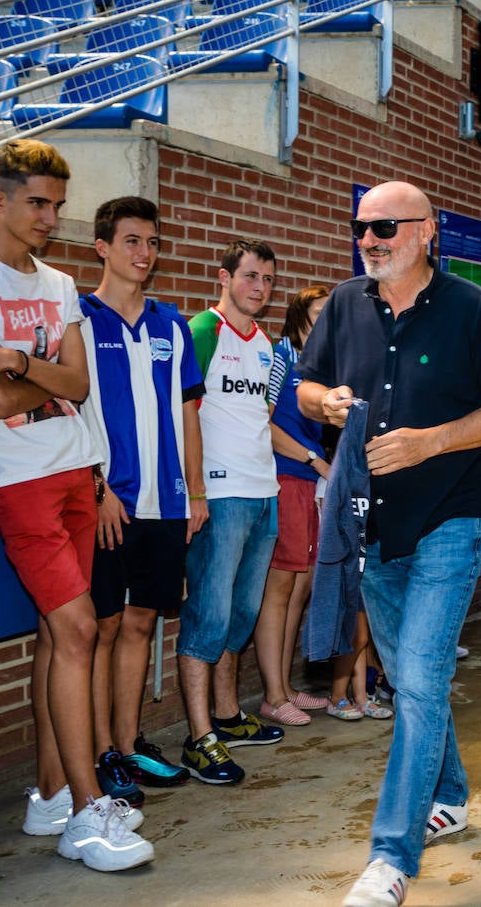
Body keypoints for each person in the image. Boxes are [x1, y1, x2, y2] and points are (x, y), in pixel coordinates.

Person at [296, 181, 481, 907]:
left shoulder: (471, 310)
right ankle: (450, 794)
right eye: (362, 226)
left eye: (387, 226)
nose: (371, 238)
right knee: (411, 675)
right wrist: (324, 403)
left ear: (427, 232)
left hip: (452, 518)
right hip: (371, 525)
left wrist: (433, 442)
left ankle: (391, 859)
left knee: (419, 682)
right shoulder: (341, 305)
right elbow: (304, 388)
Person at [0, 140, 153, 871]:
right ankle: (88, 817)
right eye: (36, 203)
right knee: (81, 629)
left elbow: (78, 386)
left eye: (57, 204)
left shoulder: (59, 285)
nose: (50, 217)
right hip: (16, 479)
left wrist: (22, 362)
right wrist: (43, 376)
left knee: (61, 640)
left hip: (76, 471)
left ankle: (51, 796)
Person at [81, 196, 205, 800]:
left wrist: (197, 489)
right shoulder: (78, 317)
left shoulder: (171, 323)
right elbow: (66, 411)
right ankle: (99, 752)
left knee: (140, 621)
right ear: (102, 247)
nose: (144, 253)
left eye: (153, 242)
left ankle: (127, 750)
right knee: (101, 627)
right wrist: (97, 487)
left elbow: (188, 410)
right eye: (132, 241)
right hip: (108, 504)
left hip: (167, 504)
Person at [176, 239, 285, 784]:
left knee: (240, 616)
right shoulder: (202, 331)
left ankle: (226, 715)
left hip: (263, 493)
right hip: (219, 496)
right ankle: (198, 740)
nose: (259, 288)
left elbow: (260, 419)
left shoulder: (266, 343)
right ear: (224, 278)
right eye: (249, 277)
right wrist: (195, 490)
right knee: (208, 617)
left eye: (266, 279)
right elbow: (182, 412)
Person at [255, 284, 333, 726]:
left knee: (300, 589)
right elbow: (261, 423)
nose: (325, 321)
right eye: (318, 313)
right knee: (280, 589)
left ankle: (284, 687)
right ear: (298, 314)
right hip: (285, 478)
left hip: (311, 485)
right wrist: (313, 459)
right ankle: (271, 695)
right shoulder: (279, 355)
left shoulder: (320, 366)